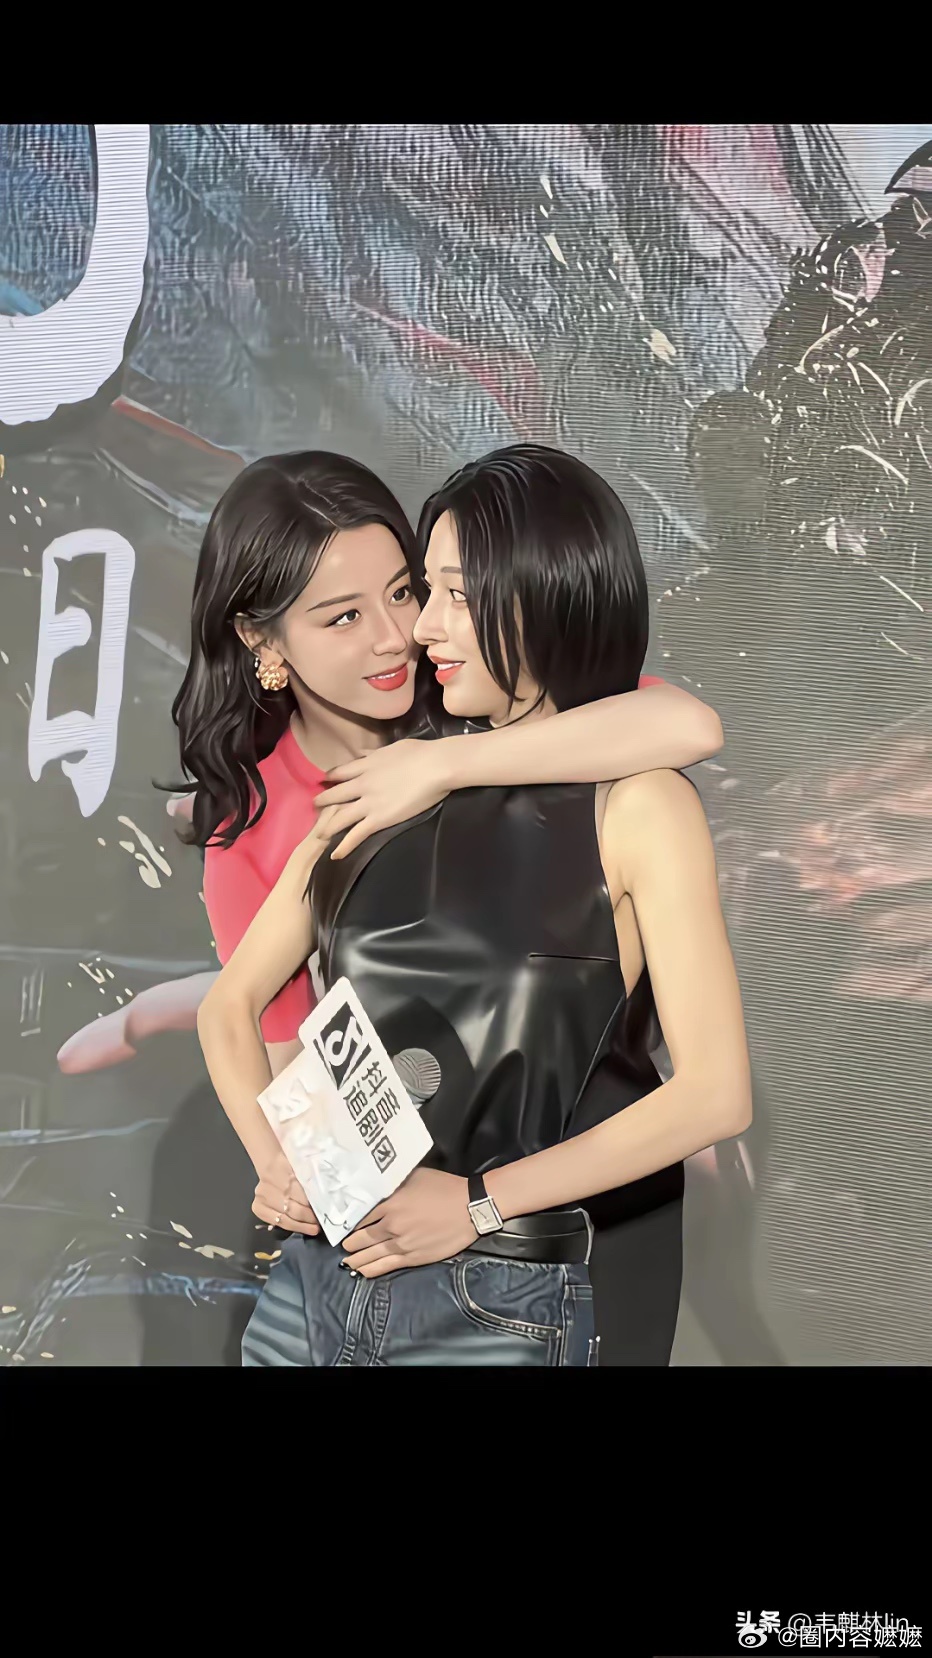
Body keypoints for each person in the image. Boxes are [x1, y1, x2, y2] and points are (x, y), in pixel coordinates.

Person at [197, 445, 752, 1367]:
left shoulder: (639, 804)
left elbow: (716, 1093)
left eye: (446, 595)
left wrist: (477, 1205)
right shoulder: (381, 785)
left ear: (542, 595)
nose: (418, 630)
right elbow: (234, 1007)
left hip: (500, 1291)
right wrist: (282, 1167)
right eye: (432, 592)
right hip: (316, 1285)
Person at [175, 450, 722, 1092]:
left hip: (587, 1102)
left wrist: (442, 765)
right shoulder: (253, 832)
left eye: (403, 592)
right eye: (345, 616)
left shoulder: (476, 694)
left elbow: (688, 726)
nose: (397, 636)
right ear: (262, 640)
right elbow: (287, 1072)